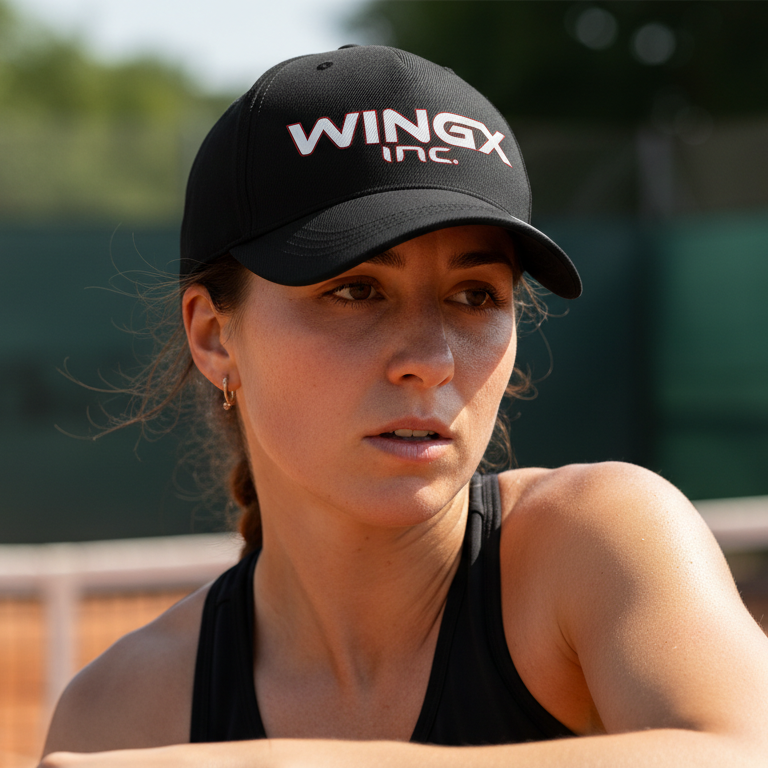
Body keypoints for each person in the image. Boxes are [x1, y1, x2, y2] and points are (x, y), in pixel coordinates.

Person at [41, 44, 768, 767]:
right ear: (213, 335)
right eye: (356, 290)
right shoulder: (123, 715)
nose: (433, 360)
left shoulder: (595, 542)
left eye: (476, 295)